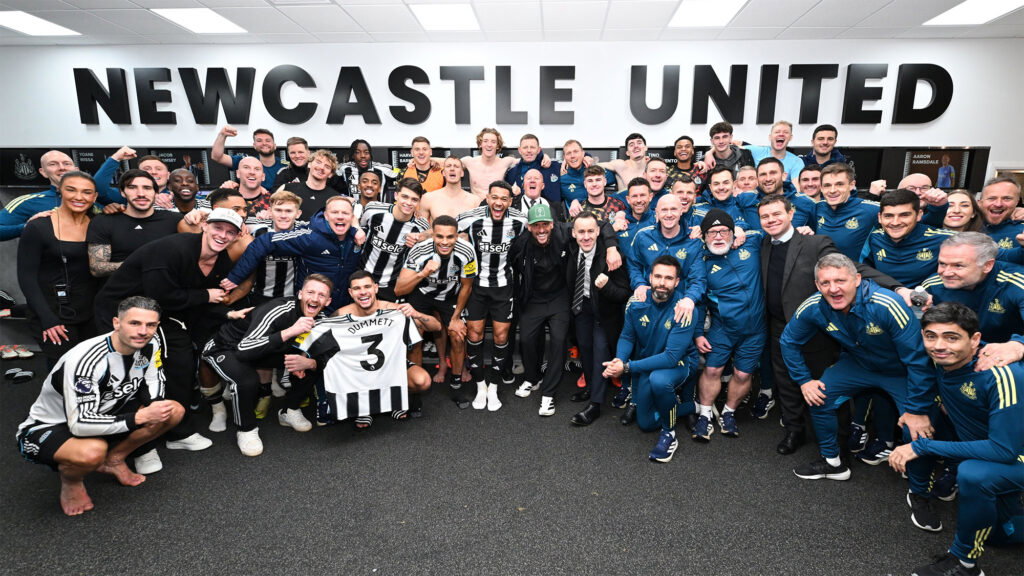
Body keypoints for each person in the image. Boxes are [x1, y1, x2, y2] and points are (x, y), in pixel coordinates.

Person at [758, 194, 905, 455]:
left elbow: (849, 268)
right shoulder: (763, 244)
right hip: (779, 327)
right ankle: (794, 430)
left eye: (776, 214)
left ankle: (838, 438)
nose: (771, 220)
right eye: (765, 216)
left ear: (791, 214)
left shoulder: (814, 243)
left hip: (818, 329)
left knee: (825, 384)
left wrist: (896, 286)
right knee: (786, 382)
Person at [95, 208, 247, 462]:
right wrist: (206, 295)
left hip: (164, 314)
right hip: (122, 312)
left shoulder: (220, 261)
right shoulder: (171, 249)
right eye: (218, 228)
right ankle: (138, 447)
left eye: (230, 232)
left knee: (181, 362)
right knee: (129, 374)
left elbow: (198, 300)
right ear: (205, 226)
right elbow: (163, 294)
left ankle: (178, 432)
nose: (223, 235)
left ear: (237, 236)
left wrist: (227, 314)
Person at [15, 296, 184, 516]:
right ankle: (71, 480)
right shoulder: (85, 360)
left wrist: (154, 407)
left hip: (105, 412)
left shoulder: (151, 344)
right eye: (134, 323)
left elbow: (154, 380)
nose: (143, 331)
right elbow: (80, 425)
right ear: (116, 323)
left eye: (150, 325)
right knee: (92, 452)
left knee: (172, 410)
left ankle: (114, 459)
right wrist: (140, 418)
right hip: (53, 426)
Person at [890, 303, 1024, 576]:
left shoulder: (1000, 374)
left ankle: (964, 564)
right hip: (990, 447)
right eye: (931, 336)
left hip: (1012, 452)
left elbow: (1003, 449)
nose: (939, 346)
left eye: (951, 337)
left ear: (975, 340)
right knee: (1000, 535)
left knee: (974, 475)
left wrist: (921, 446)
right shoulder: (941, 360)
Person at [780, 253, 936, 484]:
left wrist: (918, 407)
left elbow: (918, 360)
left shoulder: (886, 304)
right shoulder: (815, 305)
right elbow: (788, 341)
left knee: (916, 422)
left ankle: (920, 483)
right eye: (826, 283)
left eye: (840, 281)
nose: (833, 289)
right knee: (819, 396)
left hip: (899, 371)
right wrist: (804, 380)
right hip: (859, 364)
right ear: (817, 285)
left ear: (857, 280)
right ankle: (833, 462)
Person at [200, 275, 333, 456]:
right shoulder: (279, 309)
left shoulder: (322, 318)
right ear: (300, 294)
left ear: (328, 301)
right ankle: (246, 430)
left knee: (312, 363)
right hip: (227, 347)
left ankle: (289, 410)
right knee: (247, 381)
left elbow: (326, 354)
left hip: (266, 350)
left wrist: (308, 360)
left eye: (321, 295)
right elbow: (244, 349)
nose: (315, 299)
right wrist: (290, 331)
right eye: (310, 292)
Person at [298, 271, 438, 427]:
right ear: (351, 293)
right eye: (357, 288)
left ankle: (394, 400)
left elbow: (436, 326)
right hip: (357, 371)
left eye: (367, 287)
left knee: (422, 381)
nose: (363, 291)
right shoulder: (341, 314)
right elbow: (317, 335)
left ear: (376, 288)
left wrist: (416, 313)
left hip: (391, 366)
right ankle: (364, 409)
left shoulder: (394, 310)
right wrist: (303, 357)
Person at [602, 256, 700, 462]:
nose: (662, 282)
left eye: (668, 278)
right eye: (658, 276)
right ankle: (691, 407)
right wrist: (618, 361)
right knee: (645, 424)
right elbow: (627, 336)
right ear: (650, 277)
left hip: (680, 365)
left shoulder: (686, 309)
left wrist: (627, 368)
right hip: (648, 363)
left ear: (677, 282)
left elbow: (671, 357)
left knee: (660, 381)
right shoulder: (636, 301)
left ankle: (669, 434)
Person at [693, 210, 766, 441]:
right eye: (711, 232)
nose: (718, 236)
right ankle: (704, 415)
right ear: (703, 236)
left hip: (755, 329)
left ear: (733, 233)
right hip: (722, 327)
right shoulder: (701, 262)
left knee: (743, 374)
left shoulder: (752, 242)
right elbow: (699, 301)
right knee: (712, 370)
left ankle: (729, 413)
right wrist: (697, 334)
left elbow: (778, 232)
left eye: (723, 231)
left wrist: (803, 230)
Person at [458, 181, 529, 411]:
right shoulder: (470, 218)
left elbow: (544, 229)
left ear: (510, 201)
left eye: (504, 199)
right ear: (487, 198)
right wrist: (420, 237)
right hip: (476, 287)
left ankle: (494, 387)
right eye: (494, 197)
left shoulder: (520, 220)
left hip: (504, 287)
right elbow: (444, 229)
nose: (499, 202)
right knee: (475, 333)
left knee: (500, 336)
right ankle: (480, 386)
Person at [17, 171, 101, 367]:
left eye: (87, 192)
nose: (79, 197)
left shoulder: (99, 224)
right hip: (55, 313)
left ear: (95, 197)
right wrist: (48, 319)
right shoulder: (38, 226)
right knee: (64, 371)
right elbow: (26, 277)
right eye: (71, 190)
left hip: (92, 312)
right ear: (60, 191)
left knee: (92, 369)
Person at [224, 195, 363, 312]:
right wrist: (235, 277)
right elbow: (263, 242)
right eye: (334, 212)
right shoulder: (310, 236)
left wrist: (356, 228)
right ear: (325, 216)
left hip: (344, 305)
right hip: (312, 307)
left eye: (345, 213)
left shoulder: (357, 236)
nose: (340, 217)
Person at [395, 215, 477, 407]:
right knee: (415, 334)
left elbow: (466, 287)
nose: (445, 242)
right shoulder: (419, 250)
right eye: (439, 236)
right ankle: (415, 392)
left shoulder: (467, 251)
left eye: (450, 237)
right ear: (433, 235)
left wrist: (456, 318)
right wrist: (423, 273)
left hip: (450, 296)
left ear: (457, 236)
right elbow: (399, 289)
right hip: (422, 293)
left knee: (457, 335)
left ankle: (456, 386)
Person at [565, 211, 631, 426]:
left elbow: (623, 294)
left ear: (598, 232)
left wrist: (607, 287)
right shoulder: (572, 248)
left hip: (605, 313)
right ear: (573, 233)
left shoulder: (612, 257)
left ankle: (595, 404)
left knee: (600, 352)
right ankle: (592, 389)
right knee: (585, 349)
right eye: (581, 231)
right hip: (581, 307)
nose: (586, 236)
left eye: (591, 231)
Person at [921, 233, 1024, 367]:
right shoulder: (932, 286)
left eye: (958, 266)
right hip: (957, 356)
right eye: (942, 264)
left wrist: (1019, 345)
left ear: (987, 265)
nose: (946, 272)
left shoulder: (1016, 283)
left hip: (1006, 357)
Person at [1, 147, 130, 241]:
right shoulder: (26, 202)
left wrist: (113, 211)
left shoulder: (95, 198)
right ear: (43, 172)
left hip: (98, 270)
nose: (61, 167)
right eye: (53, 164)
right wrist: (26, 227)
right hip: (55, 273)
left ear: (76, 170)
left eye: (66, 163)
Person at [87, 169, 183, 278]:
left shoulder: (175, 220)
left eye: (147, 188)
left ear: (156, 193)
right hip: (120, 292)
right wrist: (143, 264)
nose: (141, 194)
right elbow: (97, 268)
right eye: (132, 188)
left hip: (165, 291)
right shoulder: (104, 221)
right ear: (122, 192)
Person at [359, 178, 429, 301]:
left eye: (414, 199)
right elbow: (359, 226)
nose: (408, 202)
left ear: (419, 202)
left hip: (391, 285)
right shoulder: (373, 210)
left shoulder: (421, 226)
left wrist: (423, 236)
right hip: (362, 278)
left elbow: (439, 232)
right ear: (396, 195)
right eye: (405, 197)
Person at [811, 162, 879, 260]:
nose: (832, 190)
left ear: (852, 185)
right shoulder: (817, 208)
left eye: (839, 184)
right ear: (821, 188)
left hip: (856, 273)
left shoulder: (871, 210)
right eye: (827, 185)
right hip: (822, 273)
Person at [211, 125, 286, 186]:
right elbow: (217, 157)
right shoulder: (245, 162)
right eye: (259, 141)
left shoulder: (285, 164)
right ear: (254, 145)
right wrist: (222, 135)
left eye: (268, 140)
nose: (264, 143)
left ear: (275, 145)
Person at [460, 128, 525, 198]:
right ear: (480, 144)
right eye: (485, 141)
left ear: (497, 146)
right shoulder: (469, 162)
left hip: (497, 206)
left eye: (493, 142)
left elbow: (527, 160)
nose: (489, 145)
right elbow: (449, 164)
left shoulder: (505, 162)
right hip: (476, 206)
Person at [752, 157, 815, 228]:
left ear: (783, 176)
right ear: (757, 179)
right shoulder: (747, 199)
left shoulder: (805, 203)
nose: (768, 179)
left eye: (773, 173)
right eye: (763, 174)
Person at [278, 149, 341, 216]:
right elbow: (272, 211)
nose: (322, 167)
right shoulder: (287, 188)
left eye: (327, 166)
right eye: (318, 162)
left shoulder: (335, 198)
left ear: (330, 174)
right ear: (309, 164)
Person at [417, 156, 481, 222]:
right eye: (448, 166)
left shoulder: (475, 201)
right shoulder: (428, 198)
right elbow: (421, 229)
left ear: (462, 173)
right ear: (443, 173)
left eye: (456, 166)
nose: (452, 169)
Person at [504, 133, 561, 203]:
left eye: (532, 147)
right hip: (521, 213)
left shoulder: (554, 166)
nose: (529, 150)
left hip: (551, 212)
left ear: (539, 149)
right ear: (519, 150)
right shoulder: (512, 173)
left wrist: (565, 163)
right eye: (525, 147)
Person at [977, 177, 1024, 249]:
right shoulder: (966, 224)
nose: (998, 204)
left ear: (1016, 202)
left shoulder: (1021, 230)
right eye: (991, 198)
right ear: (980, 202)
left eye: (1007, 198)